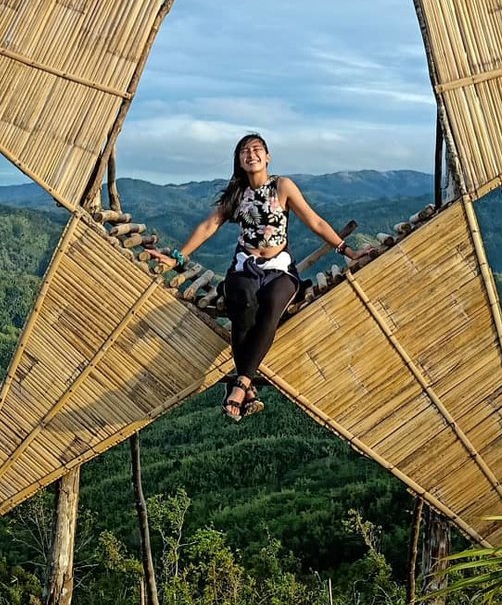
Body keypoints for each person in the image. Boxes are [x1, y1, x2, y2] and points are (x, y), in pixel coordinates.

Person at [146, 132, 369, 421]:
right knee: (243, 304)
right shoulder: (236, 194)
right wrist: (178, 256)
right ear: (239, 161)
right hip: (244, 268)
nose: (251, 154)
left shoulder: (282, 186)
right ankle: (245, 386)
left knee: (273, 305)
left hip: (280, 270)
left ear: (267, 157)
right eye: (244, 151)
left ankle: (240, 385)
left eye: (256, 149)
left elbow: (314, 221)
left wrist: (347, 251)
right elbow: (208, 226)